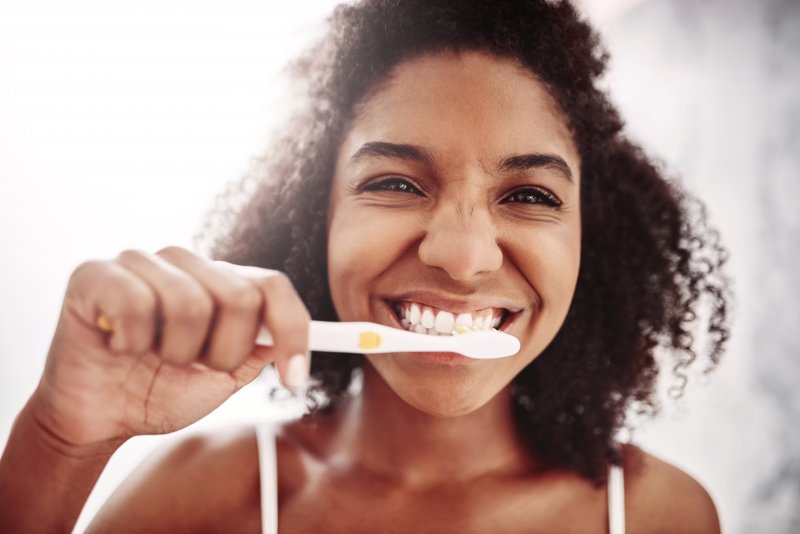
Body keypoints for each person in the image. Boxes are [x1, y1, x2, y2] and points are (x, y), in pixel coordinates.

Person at [0, 0, 730, 532]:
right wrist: (63, 441)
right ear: (315, 216)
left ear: (586, 239)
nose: (463, 255)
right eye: (395, 183)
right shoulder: (199, 500)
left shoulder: (658, 513)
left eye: (530, 195)